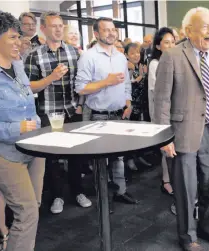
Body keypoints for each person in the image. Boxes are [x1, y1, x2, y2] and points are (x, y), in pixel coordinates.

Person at [153, 7, 209, 251]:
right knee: (186, 187)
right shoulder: (172, 56)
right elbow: (161, 100)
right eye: (205, 26)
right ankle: (188, 236)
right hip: (182, 132)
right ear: (188, 31)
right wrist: (164, 137)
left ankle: (207, 227)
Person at [24, 11, 92, 214]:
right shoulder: (35, 55)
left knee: (76, 155)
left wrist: (80, 103)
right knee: (52, 158)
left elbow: (81, 83)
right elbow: (30, 88)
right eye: (53, 26)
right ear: (43, 29)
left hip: (72, 110)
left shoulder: (74, 52)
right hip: (48, 113)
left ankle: (78, 191)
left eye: (61, 25)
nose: (58, 29)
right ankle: (57, 196)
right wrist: (51, 77)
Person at [75, 17, 138, 205]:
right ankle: (103, 199)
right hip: (98, 116)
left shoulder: (120, 56)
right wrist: (106, 82)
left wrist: (128, 103)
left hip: (119, 113)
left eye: (113, 29)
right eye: (106, 30)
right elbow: (81, 88)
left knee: (119, 156)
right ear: (96, 34)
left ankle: (120, 191)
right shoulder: (88, 56)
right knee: (100, 161)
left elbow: (126, 83)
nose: (111, 33)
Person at [0, 11, 45, 251]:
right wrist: (17, 127)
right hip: (5, 154)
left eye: (19, 37)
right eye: (13, 37)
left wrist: (34, 125)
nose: (20, 42)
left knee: (32, 207)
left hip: (32, 147)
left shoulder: (18, 66)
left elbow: (29, 104)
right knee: (27, 213)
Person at [148, 27, 176, 196]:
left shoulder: (174, 60)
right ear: (158, 46)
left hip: (174, 111)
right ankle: (166, 180)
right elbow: (157, 93)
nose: (171, 45)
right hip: (160, 111)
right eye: (166, 42)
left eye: (173, 42)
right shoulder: (154, 64)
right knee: (165, 146)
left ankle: (173, 178)